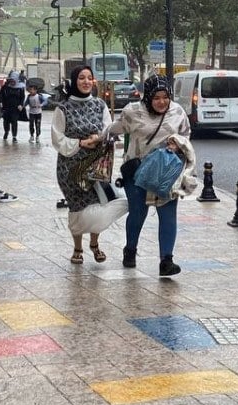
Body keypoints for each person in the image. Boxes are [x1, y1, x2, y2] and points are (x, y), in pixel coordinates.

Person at [106, 74, 192, 276]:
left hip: (166, 173)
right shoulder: (132, 112)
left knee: (168, 214)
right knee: (138, 212)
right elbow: (114, 129)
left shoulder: (177, 112)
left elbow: (186, 134)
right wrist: (99, 136)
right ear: (148, 97)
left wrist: (177, 143)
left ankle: (166, 261)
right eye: (156, 97)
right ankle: (130, 249)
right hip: (137, 172)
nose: (161, 102)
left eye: (165, 97)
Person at [51, 65, 127, 264]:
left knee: (98, 203)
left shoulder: (100, 105)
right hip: (70, 167)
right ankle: (77, 247)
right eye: (81, 78)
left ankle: (94, 243)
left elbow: (107, 128)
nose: (86, 82)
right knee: (77, 206)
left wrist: (99, 138)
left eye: (89, 78)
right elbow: (57, 137)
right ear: (74, 81)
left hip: (96, 165)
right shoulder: (63, 108)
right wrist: (80, 143)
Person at [0, 73, 26, 143]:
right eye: (11, 81)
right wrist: (0, 102)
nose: (12, 82)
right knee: (6, 122)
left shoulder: (20, 88)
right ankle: (6, 131)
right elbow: (0, 95)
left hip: (15, 108)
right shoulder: (5, 87)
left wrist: (21, 105)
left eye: (13, 81)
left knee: (14, 122)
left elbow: (22, 97)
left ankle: (14, 136)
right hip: (6, 107)